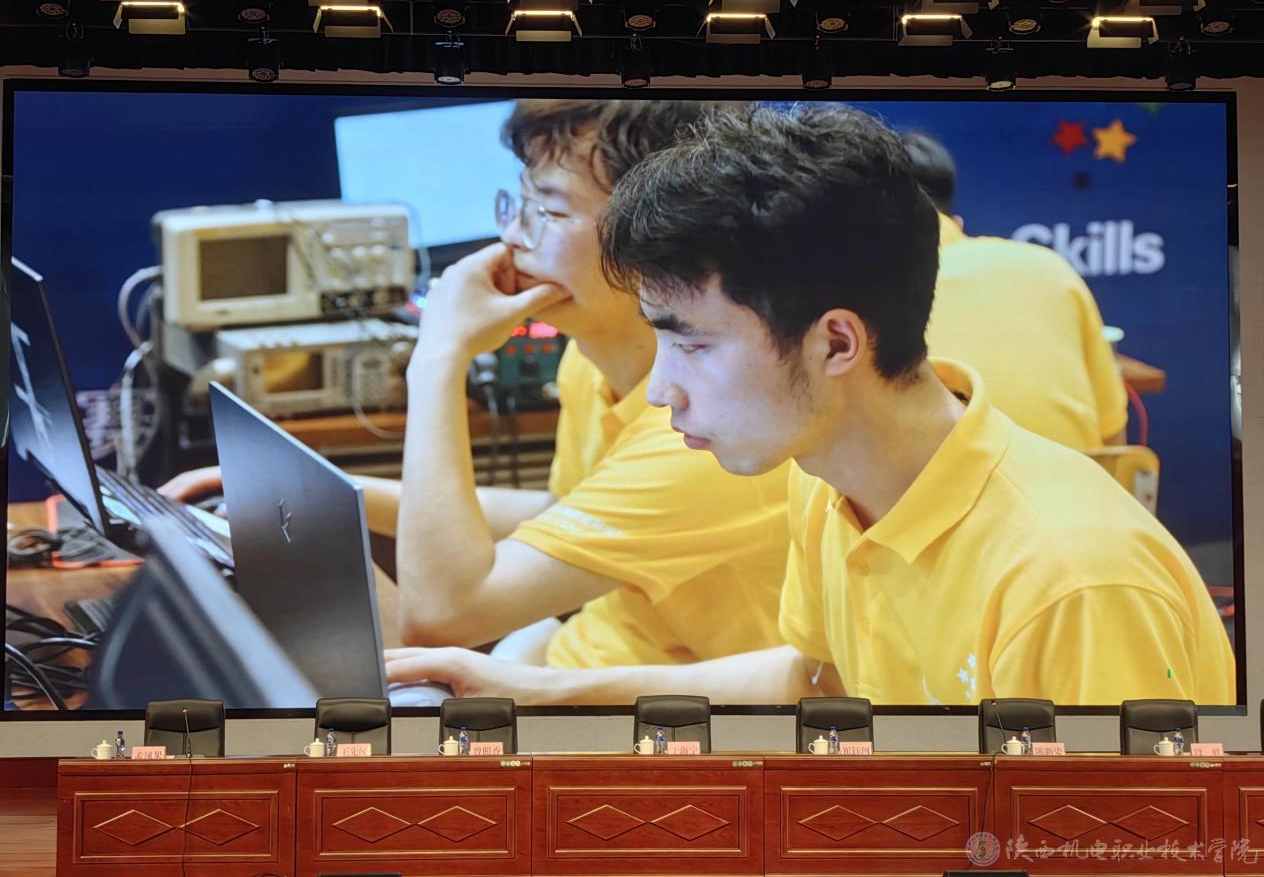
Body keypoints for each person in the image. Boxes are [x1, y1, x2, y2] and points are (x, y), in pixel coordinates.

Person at [386, 102, 1234, 706]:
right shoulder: (825, 478)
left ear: (836, 344)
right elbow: (816, 678)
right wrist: (537, 690)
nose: (665, 389)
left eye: (694, 345)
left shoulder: (1072, 584)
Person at [165, 100, 792, 672]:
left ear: (658, 234)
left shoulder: (704, 426)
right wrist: (332, 495)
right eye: (520, 203)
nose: (514, 237)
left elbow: (441, 617)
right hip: (577, 659)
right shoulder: (587, 360)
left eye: (549, 211)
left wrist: (439, 355)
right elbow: (568, 511)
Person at [903, 131, 1128, 450]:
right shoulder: (1052, 268)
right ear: (957, 222)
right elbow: (1113, 439)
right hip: (1075, 479)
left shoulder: (859, 293)